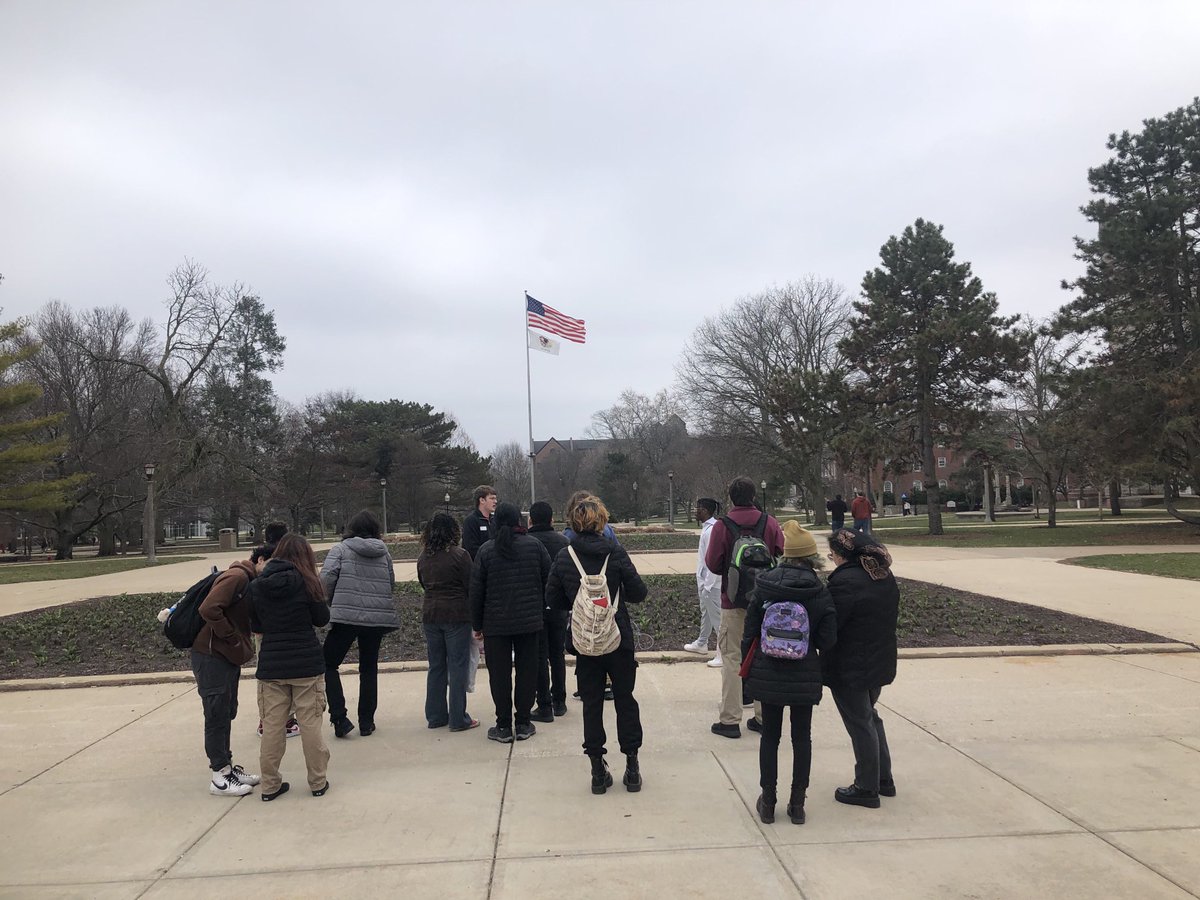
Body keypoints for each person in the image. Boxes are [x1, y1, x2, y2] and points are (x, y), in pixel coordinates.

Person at [545, 495, 648, 794]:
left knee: (592, 705)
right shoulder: (615, 552)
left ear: (574, 524)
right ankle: (632, 766)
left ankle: (597, 771)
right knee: (625, 700)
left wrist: (580, 605)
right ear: (601, 521)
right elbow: (639, 592)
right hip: (618, 638)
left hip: (585, 643)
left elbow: (552, 599)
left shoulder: (565, 556)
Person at [741, 521, 837, 826]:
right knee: (801, 737)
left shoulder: (765, 586)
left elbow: (749, 634)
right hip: (803, 673)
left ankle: (768, 801)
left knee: (770, 736)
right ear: (812, 558)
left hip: (768, 671)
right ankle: (798, 804)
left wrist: (749, 669)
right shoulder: (819, 592)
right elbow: (828, 640)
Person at [251, 534, 332, 801]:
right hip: (306, 662)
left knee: (273, 726)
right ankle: (317, 781)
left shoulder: (258, 584)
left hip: (272, 664)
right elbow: (321, 619)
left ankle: (270, 785)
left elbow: (256, 625)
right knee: (310, 724)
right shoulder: (309, 582)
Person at [824, 529, 900, 809]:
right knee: (870, 716)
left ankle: (866, 787)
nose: (830, 558)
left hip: (851, 664)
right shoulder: (882, 575)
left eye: (832, 553)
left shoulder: (844, 582)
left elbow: (832, 624)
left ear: (843, 554)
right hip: (879, 659)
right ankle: (883, 778)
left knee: (860, 722)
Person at [705, 477, 784, 739]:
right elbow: (780, 552)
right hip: (766, 602)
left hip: (733, 601)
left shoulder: (722, 526)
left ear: (731, 497)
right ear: (753, 496)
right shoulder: (769, 522)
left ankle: (730, 720)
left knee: (731, 657)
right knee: (763, 655)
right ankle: (763, 718)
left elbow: (714, 564)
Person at [470, 502, 551, 743]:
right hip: (529, 622)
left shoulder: (486, 551)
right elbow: (549, 580)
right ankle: (524, 722)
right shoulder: (535, 547)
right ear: (519, 520)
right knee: (527, 672)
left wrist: (476, 625)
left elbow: (476, 592)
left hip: (496, 625)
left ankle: (503, 725)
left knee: (499, 675)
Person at [321, 510, 399, 738]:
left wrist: (332, 602)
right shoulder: (383, 552)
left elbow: (326, 579)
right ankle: (367, 721)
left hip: (346, 615)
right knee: (368, 667)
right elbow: (391, 582)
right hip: (375, 619)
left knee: (327, 664)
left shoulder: (340, 549)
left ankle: (340, 717)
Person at [192, 554, 260, 796]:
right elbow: (208, 608)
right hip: (211, 656)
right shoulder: (237, 576)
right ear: (260, 559)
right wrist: (230, 636)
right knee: (216, 714)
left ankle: (227, 767)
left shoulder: (245, 579)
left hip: (225, 656)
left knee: (226, 711)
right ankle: (219, 776)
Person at [417, 513, 477, 731]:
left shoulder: (423, 557)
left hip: (431, 614)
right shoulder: (460, 556)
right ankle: (458, 718)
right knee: (457, 665)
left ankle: (435, 716)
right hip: (456, 614)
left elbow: (424, 584)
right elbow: (471, 586)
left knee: (436, 666)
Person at [527, 501, 570, 720]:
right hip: (559, 606)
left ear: (530, 520)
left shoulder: (527, 543)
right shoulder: (563, 542)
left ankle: (543, 702)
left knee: (539, 656)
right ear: (552, 519)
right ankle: (559, 700)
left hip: (534, 606)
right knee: (557, 654)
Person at [255, 524, 299, 740]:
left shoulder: (259, 558)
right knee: (289, 677)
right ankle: (287, 720)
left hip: (264, 627)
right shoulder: (291, 559)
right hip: (289, 626)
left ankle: (266, 719)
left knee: (267, 678)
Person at [683, 497, 722, 666]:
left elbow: (714, 560)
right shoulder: (708, 529)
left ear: (705, 510)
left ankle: (722, 653)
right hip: (705, 581)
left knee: (717, 619)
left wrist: (708, 584)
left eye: (697, 508)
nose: (695, 511)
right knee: (706, 614)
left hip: (712, 583)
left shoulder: (713, 530)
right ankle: (701, 643)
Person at [462, 484, 498, 560]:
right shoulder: (471, 521)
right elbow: (471, 547)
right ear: (482, 500)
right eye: (492, 498)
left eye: (495, 498)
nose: (495, 501)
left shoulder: (495, 520)